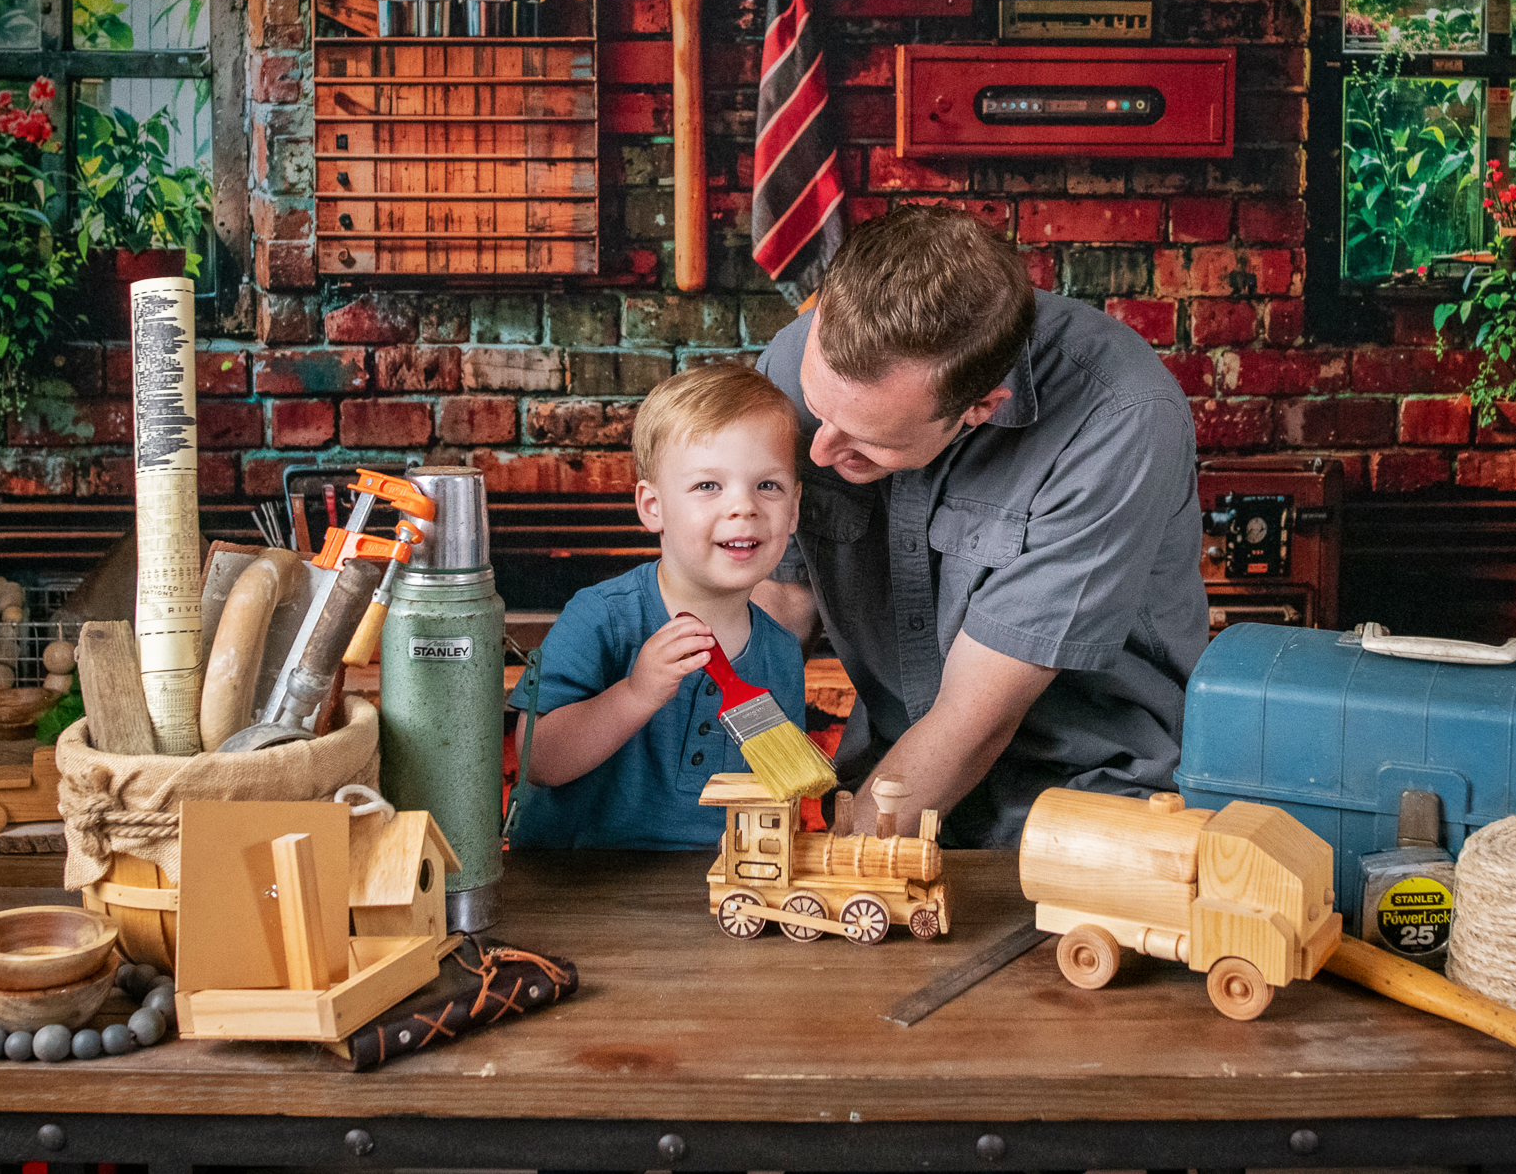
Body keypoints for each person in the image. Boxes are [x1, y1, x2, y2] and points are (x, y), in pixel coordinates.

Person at [753, 205, 1208, 849]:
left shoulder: (1119, 418)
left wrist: (839, 874)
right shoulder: (801, 356)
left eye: (867, 444)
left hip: (1081, 808)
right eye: (817, 409)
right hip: (884, 780)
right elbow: (783, 593)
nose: (820, 451)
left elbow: (973, 719)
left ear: (981, 407)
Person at [506, 362, 808, 850]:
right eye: (708, 486)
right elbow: (538, 762)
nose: (744, 507)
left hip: (713, 890)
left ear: (793, 510)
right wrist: (635, 694)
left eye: (767, 486)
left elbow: (780, 792)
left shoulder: (780, 652)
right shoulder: (602, 616)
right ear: (653, 507)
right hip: (572, 886)